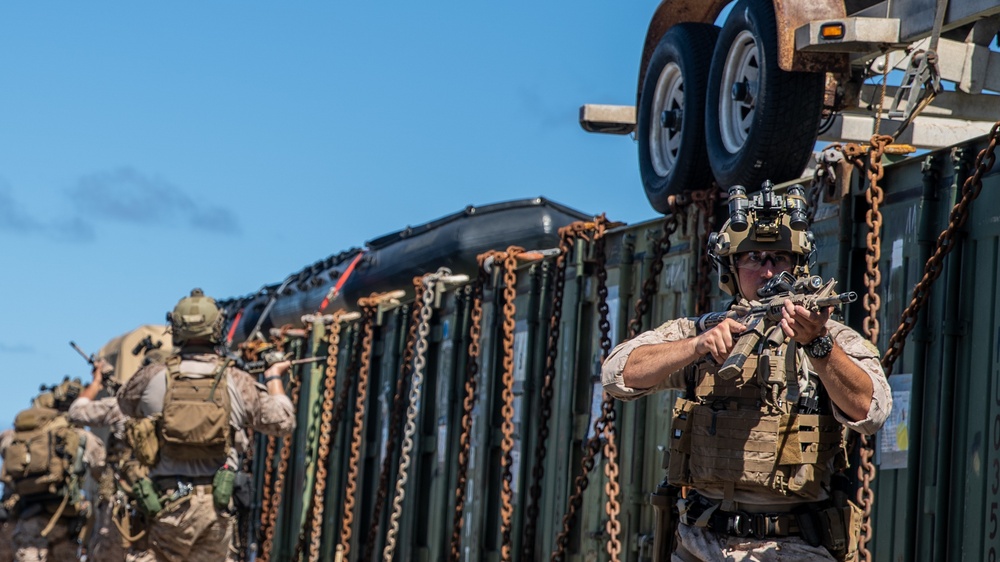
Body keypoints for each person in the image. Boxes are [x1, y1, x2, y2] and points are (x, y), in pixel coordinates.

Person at [601, 183, 892, 562]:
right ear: (731, 267)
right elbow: (617, 373)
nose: (768, 270)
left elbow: (873, 412)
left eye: (780, 258)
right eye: (753, 257)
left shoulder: (831, 337)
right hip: (702, 544)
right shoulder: (702, 330)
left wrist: (818, 346)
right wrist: (696, 346)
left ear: (797, 265)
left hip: (793, 545)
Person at [117, 288, 295, 562]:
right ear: (217, 329)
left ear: (175, 329)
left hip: (167, 502)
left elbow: (124, 404)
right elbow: (283, 421)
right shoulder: (237, 380)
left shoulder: (151, 376)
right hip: (216, 504)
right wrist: (273, 377)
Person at [1, 379, 106, 562]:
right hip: (65, 525)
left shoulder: (16, 437)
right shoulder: (81, 437)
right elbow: (102, 472)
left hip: (27, 525)